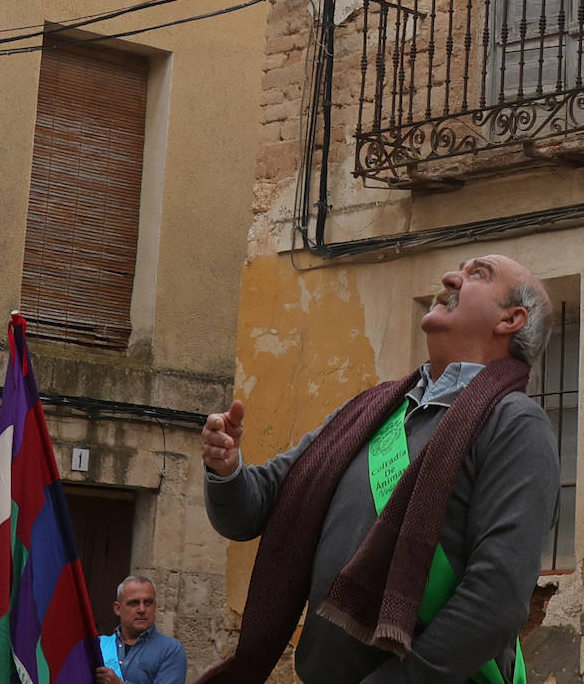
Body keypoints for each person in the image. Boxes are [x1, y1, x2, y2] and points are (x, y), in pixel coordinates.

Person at [200, 254, 561, 684]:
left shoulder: (515, 424)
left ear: (511, 319)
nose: (449, 277)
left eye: (477, 274)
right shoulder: (371, 411)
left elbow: (496, 597)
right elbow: (250, 509)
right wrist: (225, 468)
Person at [95, 575, 187, 684]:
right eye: (134, 603)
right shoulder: (98, 645)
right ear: (118, 608)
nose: (142, 609)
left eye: (148, 603)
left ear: (155, 606)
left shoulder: (170, 650)